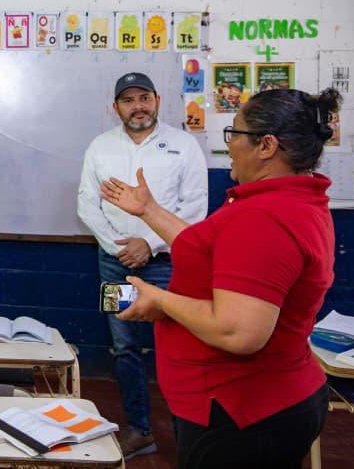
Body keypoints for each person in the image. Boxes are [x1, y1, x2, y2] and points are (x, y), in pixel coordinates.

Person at [101, 88, 340, 469]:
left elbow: (238, 332)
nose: (229, 146)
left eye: (235, 134)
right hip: (265, 402)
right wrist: (149, 210)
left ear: (266, 145)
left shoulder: (263, 217)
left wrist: (160, 300)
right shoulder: (290, 200)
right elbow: (206, 249)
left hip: (241, 413)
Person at [77, 72, 208, 460]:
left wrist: (149, 245)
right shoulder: (100, 147)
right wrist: (119, 248)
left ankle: (188, 435)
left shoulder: (184, 146)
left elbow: (195, 208)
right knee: (124, 347)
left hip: (168, 265)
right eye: (129, 100)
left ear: (157, 101)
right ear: (115, 107)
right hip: (114, 265)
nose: (138, 106)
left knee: (179, 346)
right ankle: (139, 430)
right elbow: (87, 204)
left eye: (144, 98)